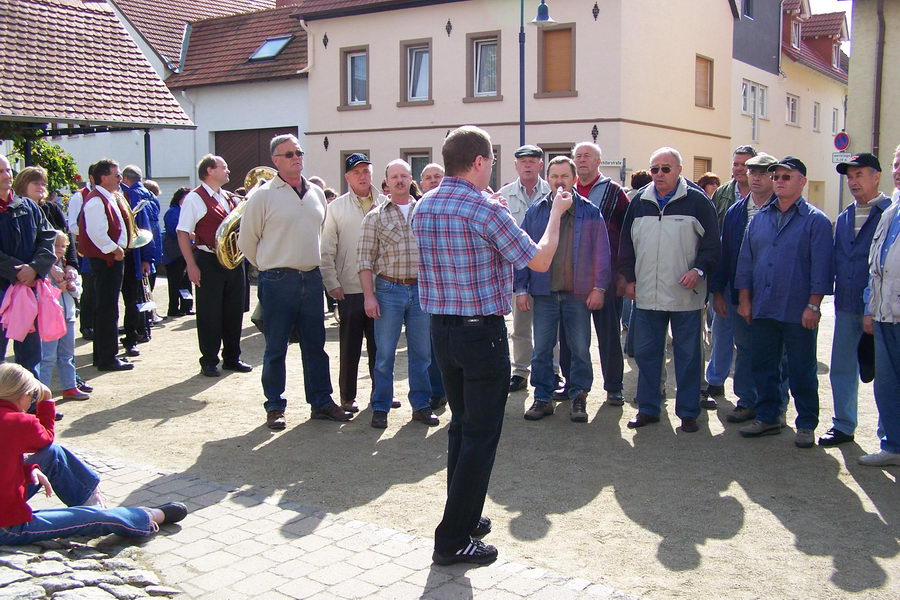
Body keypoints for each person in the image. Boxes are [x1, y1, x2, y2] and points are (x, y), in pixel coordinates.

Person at [411, 125, 570, 566]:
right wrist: (556, 213)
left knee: (463, 427)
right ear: (479, 162)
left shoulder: (424, 204)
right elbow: (539, 259)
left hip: (441, 329)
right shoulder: (483, 209)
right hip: (480, 333)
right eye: (491, 162)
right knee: (480, 435)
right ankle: (453, 538)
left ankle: (464, 515)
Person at [0, 363, 187, 544]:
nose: (33, 401)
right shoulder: (17, 421)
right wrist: (47, 400)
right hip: (7, 526)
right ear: (24, 395)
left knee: (54, 454)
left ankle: (94, 506)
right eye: (33, 397)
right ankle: (144, 516)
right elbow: (45, 438)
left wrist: (28, 470)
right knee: (88, 518)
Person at [238, 134, 351, 430]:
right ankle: (275, 406)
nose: (296, 157)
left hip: (311, 278)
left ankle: (322, 402)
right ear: (275, 160)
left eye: (299, 152)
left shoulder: (315, 192)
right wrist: (268, 265)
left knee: (316, 345)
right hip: (277, 279)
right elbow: (247, 241)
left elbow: (322, 234)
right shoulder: (262, 196)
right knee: (276, 347)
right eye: (289, 154)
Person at [619, 147, 720, 433]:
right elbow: (626, 245)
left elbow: (713, 245)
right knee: (647, 354)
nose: (659, 174)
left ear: (679, 170)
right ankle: (648, 408)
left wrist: (698, 270)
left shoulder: (698, 202)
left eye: (666, 168)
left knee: (688, 355)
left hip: (685, 294)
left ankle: (688, 412)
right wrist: (627, 278)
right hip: (647, 294)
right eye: (654, 169)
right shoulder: (639, 201)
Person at [736, 156, 833, 448]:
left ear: (802, 181)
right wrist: (744, 300)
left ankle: (805, 424)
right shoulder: (760, 219)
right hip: (764, 305)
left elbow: (822, 268)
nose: (779, 181)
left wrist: (813, 306)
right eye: (776, 176)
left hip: (797, 310)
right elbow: (745, 262)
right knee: (763, 364)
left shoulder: (815, 221)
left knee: (802, 369)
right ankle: (768, 417)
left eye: (786, 176)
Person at [515, 156, 610, 423]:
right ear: (548, 179)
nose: (559, 182)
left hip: (578, 294)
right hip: (544, 293)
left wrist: (599, 287)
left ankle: (578, 396)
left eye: (564, 177)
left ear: (573, 179)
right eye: (554, 176)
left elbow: (602, 253)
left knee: (580, 347)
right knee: (542, 348)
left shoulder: (590, 211)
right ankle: (543, 397)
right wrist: (521, 288)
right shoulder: (535, 212)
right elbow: (523, 252)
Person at [358, 159, 438, 429]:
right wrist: (369, 296)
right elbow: (364, 261)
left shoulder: (424, 211)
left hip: (421, 291)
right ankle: (381, 406)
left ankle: (421, 405)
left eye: (405, 175)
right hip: (388, 291)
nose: (400, 180)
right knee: (384, 354)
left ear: (411, 179)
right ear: (387, 182)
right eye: (395, 176)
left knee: (422, 353)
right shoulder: (375, 216)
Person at [710, 152, 788, 424]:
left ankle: (776, 404)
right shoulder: (736, 211)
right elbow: (725, 252)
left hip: (774, 292)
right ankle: (746, 400)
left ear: (773, 176)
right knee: (743, 347)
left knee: (775, 351)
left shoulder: (785, 209)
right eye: (751, 171)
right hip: (738, 288)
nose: (754, 176)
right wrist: (718, 291)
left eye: (762, 172)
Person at [822, 153, 891, 447]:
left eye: (859, 174)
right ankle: (843, 424)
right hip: (847, 306)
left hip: (882, 309)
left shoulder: (890, 212)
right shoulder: (846, 215)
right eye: (849, 177)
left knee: (886, 374)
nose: (853, 182)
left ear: (876, 176)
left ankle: (888, 434)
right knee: (842, 368)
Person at [320, 153, 385, 413]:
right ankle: (347, 396)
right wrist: (332, 282)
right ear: (347, 177)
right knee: (350, 348)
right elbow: (326, 249)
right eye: (356, 172)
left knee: (381, 347)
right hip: (349, 288)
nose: (362, 176)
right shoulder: (335, 208)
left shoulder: (385, 203)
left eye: (366, 171)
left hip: (382, 287)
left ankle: (380, 393)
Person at [177, 155, 251, 378]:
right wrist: (191, 264)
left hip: (233, 260)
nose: (228, 171)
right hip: (208, 259)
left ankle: (232, 357)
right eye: (224, 167)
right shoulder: (194, 198)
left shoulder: (229, 197)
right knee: (210, 313)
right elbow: (182, 232)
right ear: (209, 170)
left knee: (233, 310)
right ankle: (209, 360)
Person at [571, 142, 630, 406]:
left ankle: (614, 386)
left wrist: (623, 274)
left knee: (608, 335)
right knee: (573, 336)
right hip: (571, 279)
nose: (582, 161)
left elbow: (628, 233)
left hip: (605, 276)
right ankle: (574, 386)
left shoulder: (614, 192)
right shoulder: (566, 191)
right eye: (578, 157)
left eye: (587, 156)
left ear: (598, 162)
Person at [498, 145, 551, 394]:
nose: (527, 165)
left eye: (532, 161)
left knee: (550, 324)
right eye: (523, 162)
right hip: (516, 271)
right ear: (515, 165)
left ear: (541, 164)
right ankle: (520, 371)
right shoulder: (504, 196)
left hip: (547, 270)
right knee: (520, 326)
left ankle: (553, 370)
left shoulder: (552, 193)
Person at [861, 144, 900, 466]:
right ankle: (892, 446)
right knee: (887, 383)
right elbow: (877, 268)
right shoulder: (890, 212)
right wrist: (870, 308)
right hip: (886, 313)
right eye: (896, 164)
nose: (898, 170)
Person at [0, 155, 56, 376]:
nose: (7, 175)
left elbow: (48, 238)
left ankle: (30, 406)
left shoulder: (28, 207)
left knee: (30, 356)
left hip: (28, 289)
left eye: (7, 170)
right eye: (1, 171)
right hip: (4, 288)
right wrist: (17, 271)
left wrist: (34, 268)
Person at [77, 158, 133, 371]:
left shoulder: (107, 197)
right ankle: (107, 358)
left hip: (111, 259)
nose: (120, 178)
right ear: (103, 177)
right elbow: (96, 233)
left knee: (107, 309)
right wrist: (115, 249)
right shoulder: (96, 200)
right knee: (107, 310)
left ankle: (104, 356)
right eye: (116, 175)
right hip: (106, 260)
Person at [38, 231, 88, 401]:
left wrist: (73, 285)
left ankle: (70, 386)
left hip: (69, 315)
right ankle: (43, 394)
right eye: (56, 246)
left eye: (63, 246)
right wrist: (59, 285)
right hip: (51, 317)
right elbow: (42, 293)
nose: (59, 250)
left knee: (68, 355)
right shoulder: (44, 267)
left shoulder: (68, 266)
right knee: (48, 357)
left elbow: (78, 292)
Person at [417, 162, 447, 408]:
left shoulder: (450, 206)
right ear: (421, 183)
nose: (434, 180)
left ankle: (441, 390)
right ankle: (432, 391)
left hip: (446, 286)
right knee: (424, 345)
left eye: (438, 176)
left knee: (441, 343)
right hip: (418, 286)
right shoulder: (416, 207)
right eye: (428, 177)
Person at [118, 166, 157, 357]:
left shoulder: (131, 196)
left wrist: (145, 258)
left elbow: (142, 227)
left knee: (131, 300)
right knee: (136, 298)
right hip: (138, 254)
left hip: (131, 254)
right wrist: (148, 258)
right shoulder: (149, 195)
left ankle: (132, 336)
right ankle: (140, 332)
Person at [67, 165, 96, 342]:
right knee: (89, 289)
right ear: (93, 177)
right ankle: (87, 325)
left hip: (101, 250)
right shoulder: (79, 196)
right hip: (86, 250)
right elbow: (73, 225)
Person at [162, 188, 194, 318]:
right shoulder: (172, 212)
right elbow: (174, 231)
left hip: (186, 251)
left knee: (186, 280)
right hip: (175, 253)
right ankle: (174, 308)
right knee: (175, 281)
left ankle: (187, 306)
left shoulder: (186, 211)